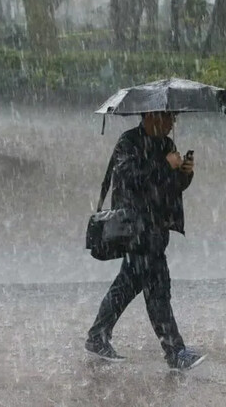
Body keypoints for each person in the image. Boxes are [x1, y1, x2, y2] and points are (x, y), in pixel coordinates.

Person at [85, 111, 206, 371]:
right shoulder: (127, 142)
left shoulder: (167, 144)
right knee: (158, 290)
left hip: (157, 229)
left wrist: (184, 174)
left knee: (127, 286)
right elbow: (130, 180)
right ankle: (175, 351)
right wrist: (164, 165)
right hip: (137, 230)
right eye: (169, 117)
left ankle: (98, 336)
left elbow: (170, 186)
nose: (173, 122)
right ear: (152, 116)